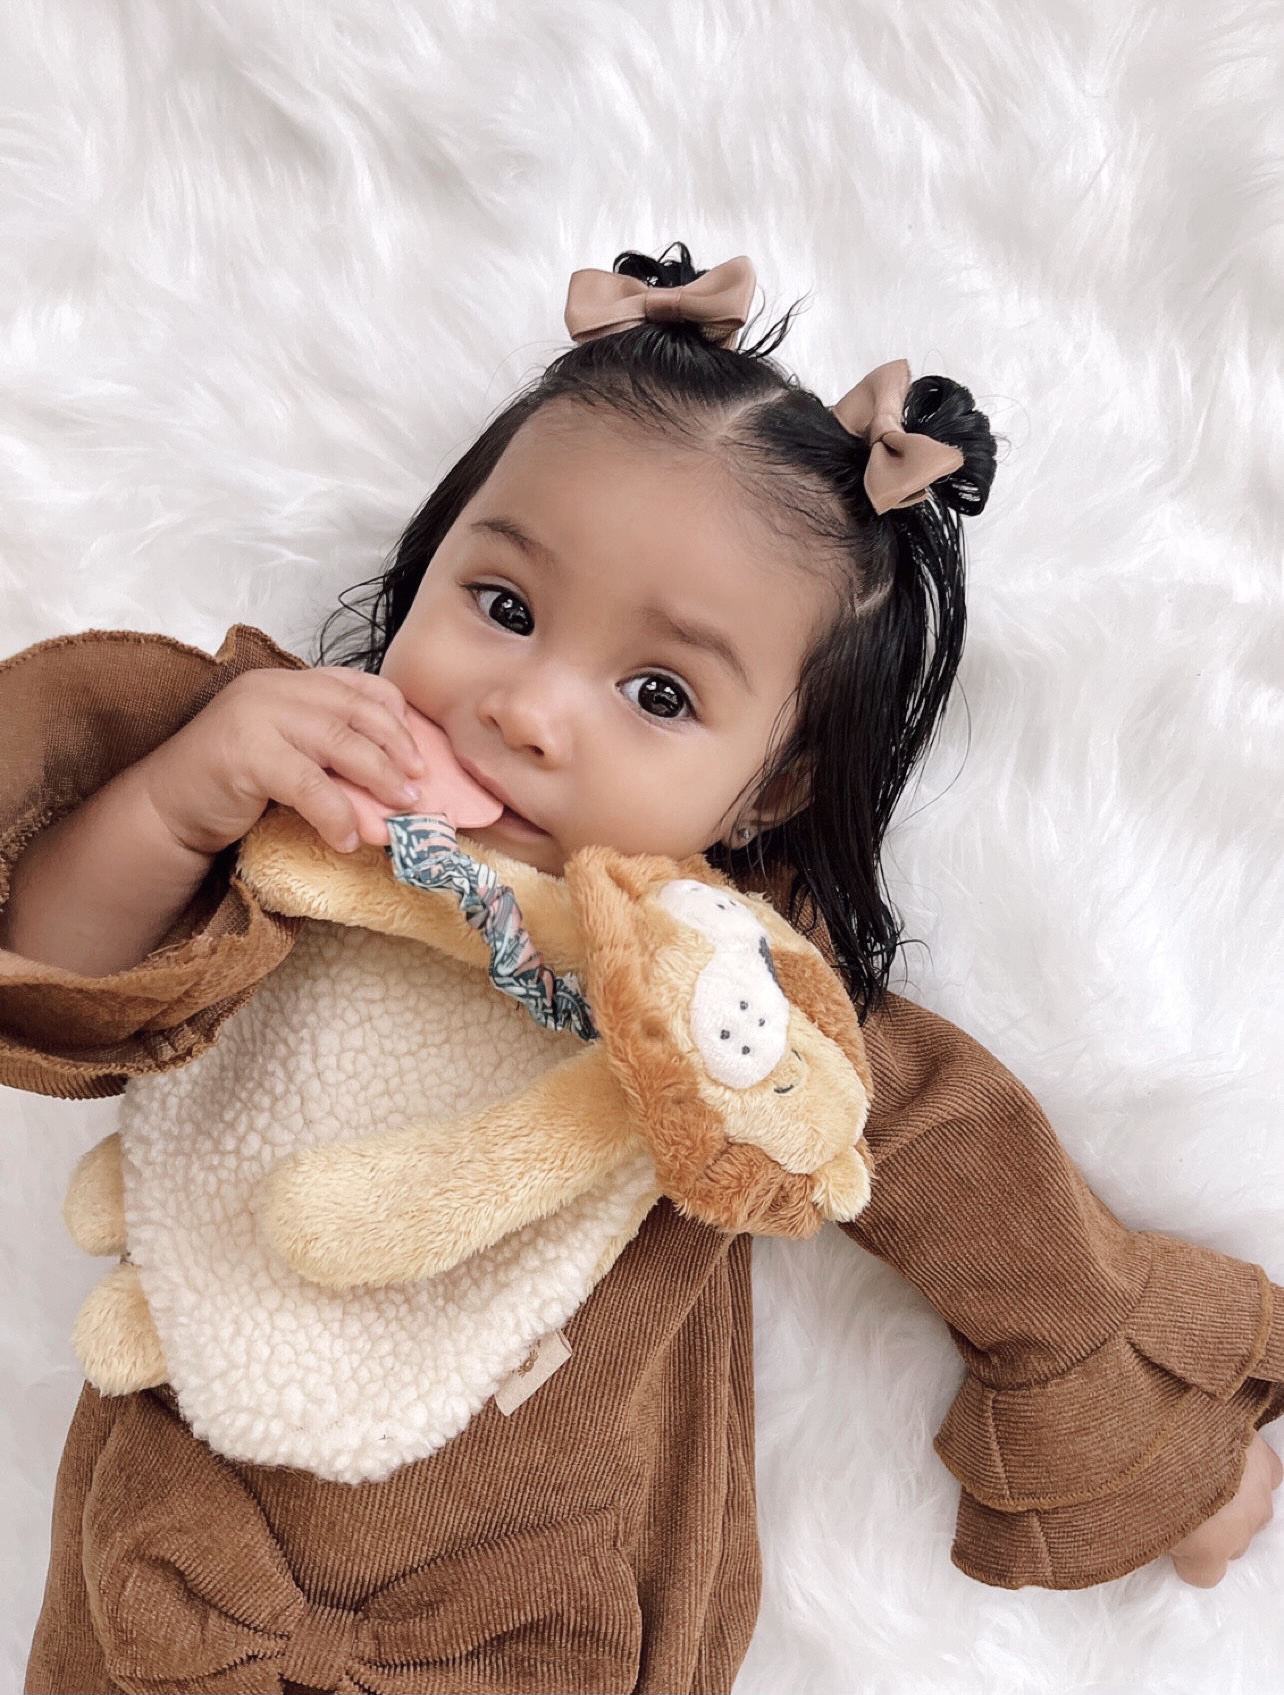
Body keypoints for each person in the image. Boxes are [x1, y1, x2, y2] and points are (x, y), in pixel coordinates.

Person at [1, 245, 1280, 1695]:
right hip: (173, 1574)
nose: (533, 709)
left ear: (769, 791)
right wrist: (177, 800)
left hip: (542, 1609)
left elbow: (978, 1184)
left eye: (660, 694)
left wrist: (1171, 1460)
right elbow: (49, 976)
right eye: (501, 605)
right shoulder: (293, 808)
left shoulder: (738, 994)